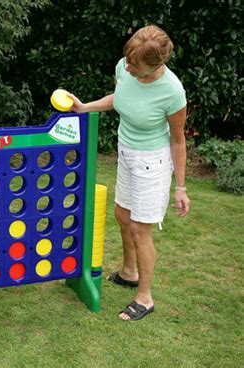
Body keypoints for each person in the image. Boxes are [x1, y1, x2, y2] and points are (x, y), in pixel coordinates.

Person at [69, 25, 190, 320]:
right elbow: (120, 96)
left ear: (157, 64)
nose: (130, 70)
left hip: (153, 161)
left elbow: (178, 139)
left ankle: (145, 298)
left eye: (138, 69)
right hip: (126, 151)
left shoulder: (172, 92)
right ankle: (128, 272)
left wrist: (181, 187)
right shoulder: (125, 67)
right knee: (122, 217)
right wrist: (86, 108)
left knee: (140, 229)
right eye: (129, 64)